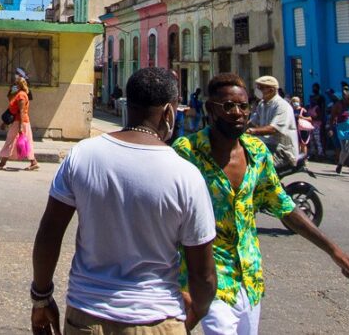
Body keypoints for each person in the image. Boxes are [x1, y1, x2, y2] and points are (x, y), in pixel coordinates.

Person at [30, 67, 218, 335]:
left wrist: (41, 297)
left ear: (128, 105)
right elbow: (203, 274)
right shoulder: (186, 175)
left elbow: (49, 232)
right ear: (168, 112)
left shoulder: (83, 156)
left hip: (86, 316)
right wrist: (198, 309)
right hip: (158, 319)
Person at [174, 73, 349, 334]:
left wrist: (333, 250)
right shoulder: (188, 151)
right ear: (211, 110)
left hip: (249, 276)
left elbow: (284, 207)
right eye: (228, 106)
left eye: (243, 105)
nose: (238, 112)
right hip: (207, 275)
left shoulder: (257, 153)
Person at [246, 75, 298, 169]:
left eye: (261, 88)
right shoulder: (262, 104)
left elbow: (274, 129)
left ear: (271, 90)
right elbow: (252, 122)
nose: (258, 90)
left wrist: (251, 131)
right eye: (258, 87)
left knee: (254, 168)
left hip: (282, 151)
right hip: (266, 146)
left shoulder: (282, 106)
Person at [0, 75, 40, 171]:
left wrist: (20, 127)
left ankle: (2, 164)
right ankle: (33, 162)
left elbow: (21, 111)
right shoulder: (18, 94)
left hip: (20, 122)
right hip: (19, 121)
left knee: (10, 141)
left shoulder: (21, 95)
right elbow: (12, 107)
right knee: (23, 142)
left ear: (18, 85)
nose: (12, 85)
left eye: (14, 84)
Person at [329, 91, 349, 178]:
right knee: (346, 149)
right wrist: (331, 129)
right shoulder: (338, 105)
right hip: (344, 129)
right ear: (344, 99)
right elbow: (332, 117)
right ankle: (340, 163)